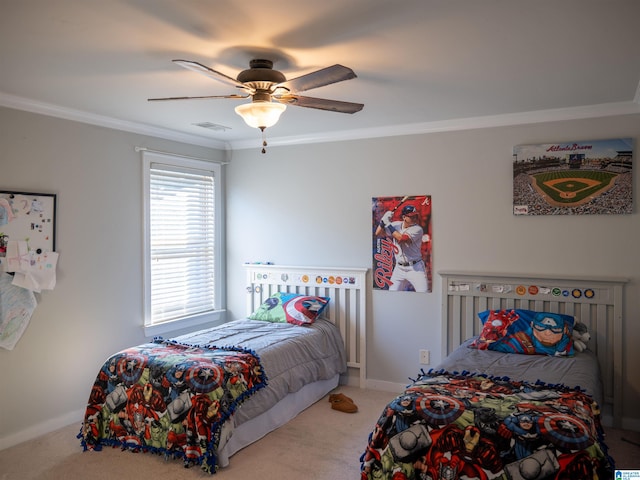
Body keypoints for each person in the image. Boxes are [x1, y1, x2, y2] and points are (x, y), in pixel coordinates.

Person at [375, 205, 428, 292]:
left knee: (424, 293)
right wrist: (382, 221)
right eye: (411, 216)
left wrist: (387, 224)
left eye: (415, 215)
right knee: (392, 294)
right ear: (404, 217)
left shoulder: (418, 229)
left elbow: (402, 238)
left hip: (415, 268)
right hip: (399, 268)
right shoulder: (396, 225)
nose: (414, 218)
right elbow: (378, 233)